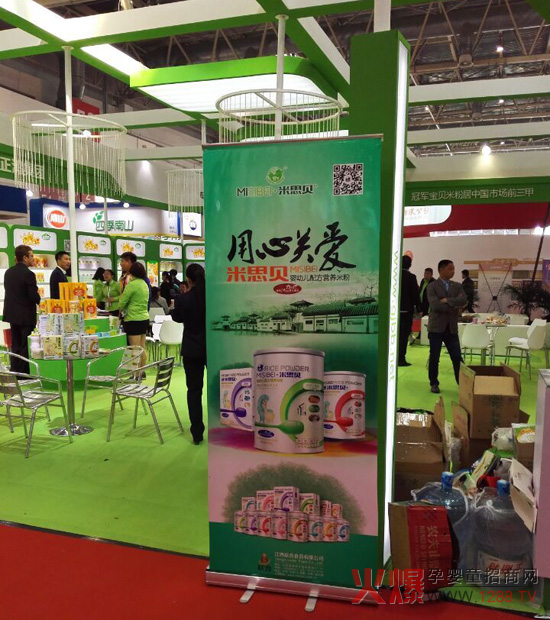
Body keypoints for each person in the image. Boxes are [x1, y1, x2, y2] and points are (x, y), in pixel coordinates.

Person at [173, 263, 206, 445]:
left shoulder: (183, 299)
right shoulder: (212, 297)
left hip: (191, 349)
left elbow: (177, 317)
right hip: (212, 348)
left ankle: (197, 432)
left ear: (188, 279)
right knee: (218, 388)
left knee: (194, 391)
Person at [427, 259, 467, 393]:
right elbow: (435, 305)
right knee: (434, 357)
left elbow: (463, 300)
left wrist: (447, 300)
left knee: (457, 358)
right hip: (436, 328)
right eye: (450, 269)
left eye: (453, 268)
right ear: (441, 269)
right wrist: (454, 306)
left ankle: (462, 383)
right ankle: (434, 383)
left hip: (451, 328)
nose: (453, 271)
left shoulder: (457, 286)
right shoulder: (432, 286)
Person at [4, 245, 40, 375]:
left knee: (16, 344)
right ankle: (25, 373)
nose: (33, 258)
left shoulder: (8, 272)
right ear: (25, 258)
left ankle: (15, 371)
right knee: (25, 344)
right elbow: (33, 295)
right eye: (31, 256)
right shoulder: (29, 274)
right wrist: (40, 300)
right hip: (26, 315)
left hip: (12, 314)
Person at [118, 261, 149, 368]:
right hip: (144, 318)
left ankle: (135, 372)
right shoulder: (144, 284)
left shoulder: (132, 285)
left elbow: (122, 302)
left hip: (133, 319)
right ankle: (142, 370)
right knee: (142, 347)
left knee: (134, 349)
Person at [399, 255, 421, 367]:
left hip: (394, 310)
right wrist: (420, 308)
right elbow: (415, 294)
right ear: (410, 265)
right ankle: (401, 359)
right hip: (406, 311)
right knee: (403, 336)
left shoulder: (394, 276)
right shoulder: (411, 277)